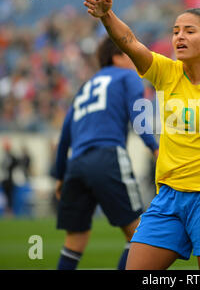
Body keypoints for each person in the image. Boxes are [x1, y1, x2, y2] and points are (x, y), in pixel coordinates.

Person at [84, 0, 200, 270]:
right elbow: (129, 42)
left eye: (190, 31)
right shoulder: (166, 72)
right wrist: (107, 16)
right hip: (167, 198)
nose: (180, 37)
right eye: (176, 31)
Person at [54, 36, 159, 270]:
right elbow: (138, 114)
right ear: (117, 56)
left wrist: (60, 175)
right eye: (130, 53)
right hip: (107, 157)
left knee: (74, 242)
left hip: (76, 165)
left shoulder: (85, 87)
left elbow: (65, 135)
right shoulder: (128, 76)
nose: (135, 59)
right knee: (140, 235)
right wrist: (154, 146)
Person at [0, 139, 18, 216]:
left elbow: (15, 164)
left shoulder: (11, 157)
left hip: (9, 180)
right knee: (6, 196)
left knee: (10, 196)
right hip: (5, 180)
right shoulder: (4, 157)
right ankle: (7, 210)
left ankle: (10, 211)